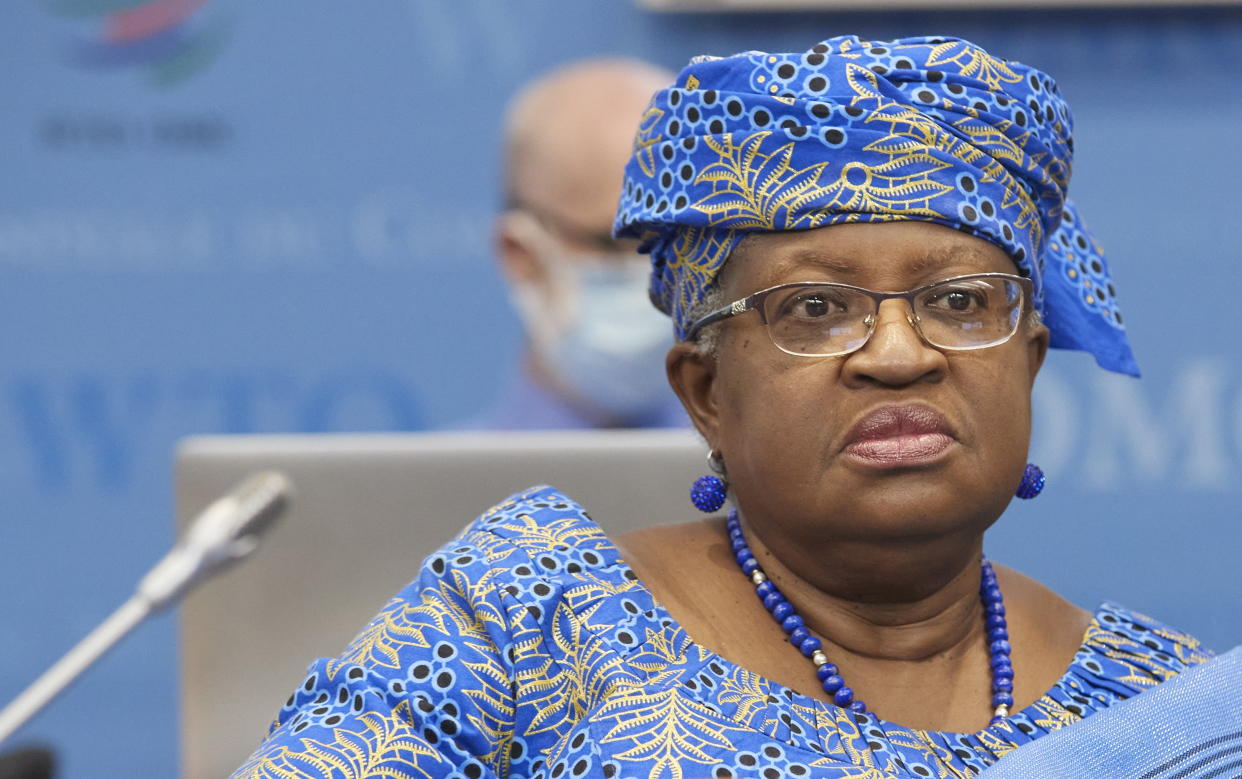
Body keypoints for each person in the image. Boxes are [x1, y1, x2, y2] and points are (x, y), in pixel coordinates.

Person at [233, 36, 1237, 778]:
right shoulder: (535, 615)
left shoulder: (1165, 703)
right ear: (706, 391)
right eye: (815, 307)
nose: (899, 353)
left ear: (1026, 363)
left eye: (959, 302)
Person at [476, 57, 687, 430]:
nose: (658, 274)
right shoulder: (440, 488)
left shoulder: (772, 484)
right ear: (518, 252)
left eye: (680, 241)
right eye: (615, 243)